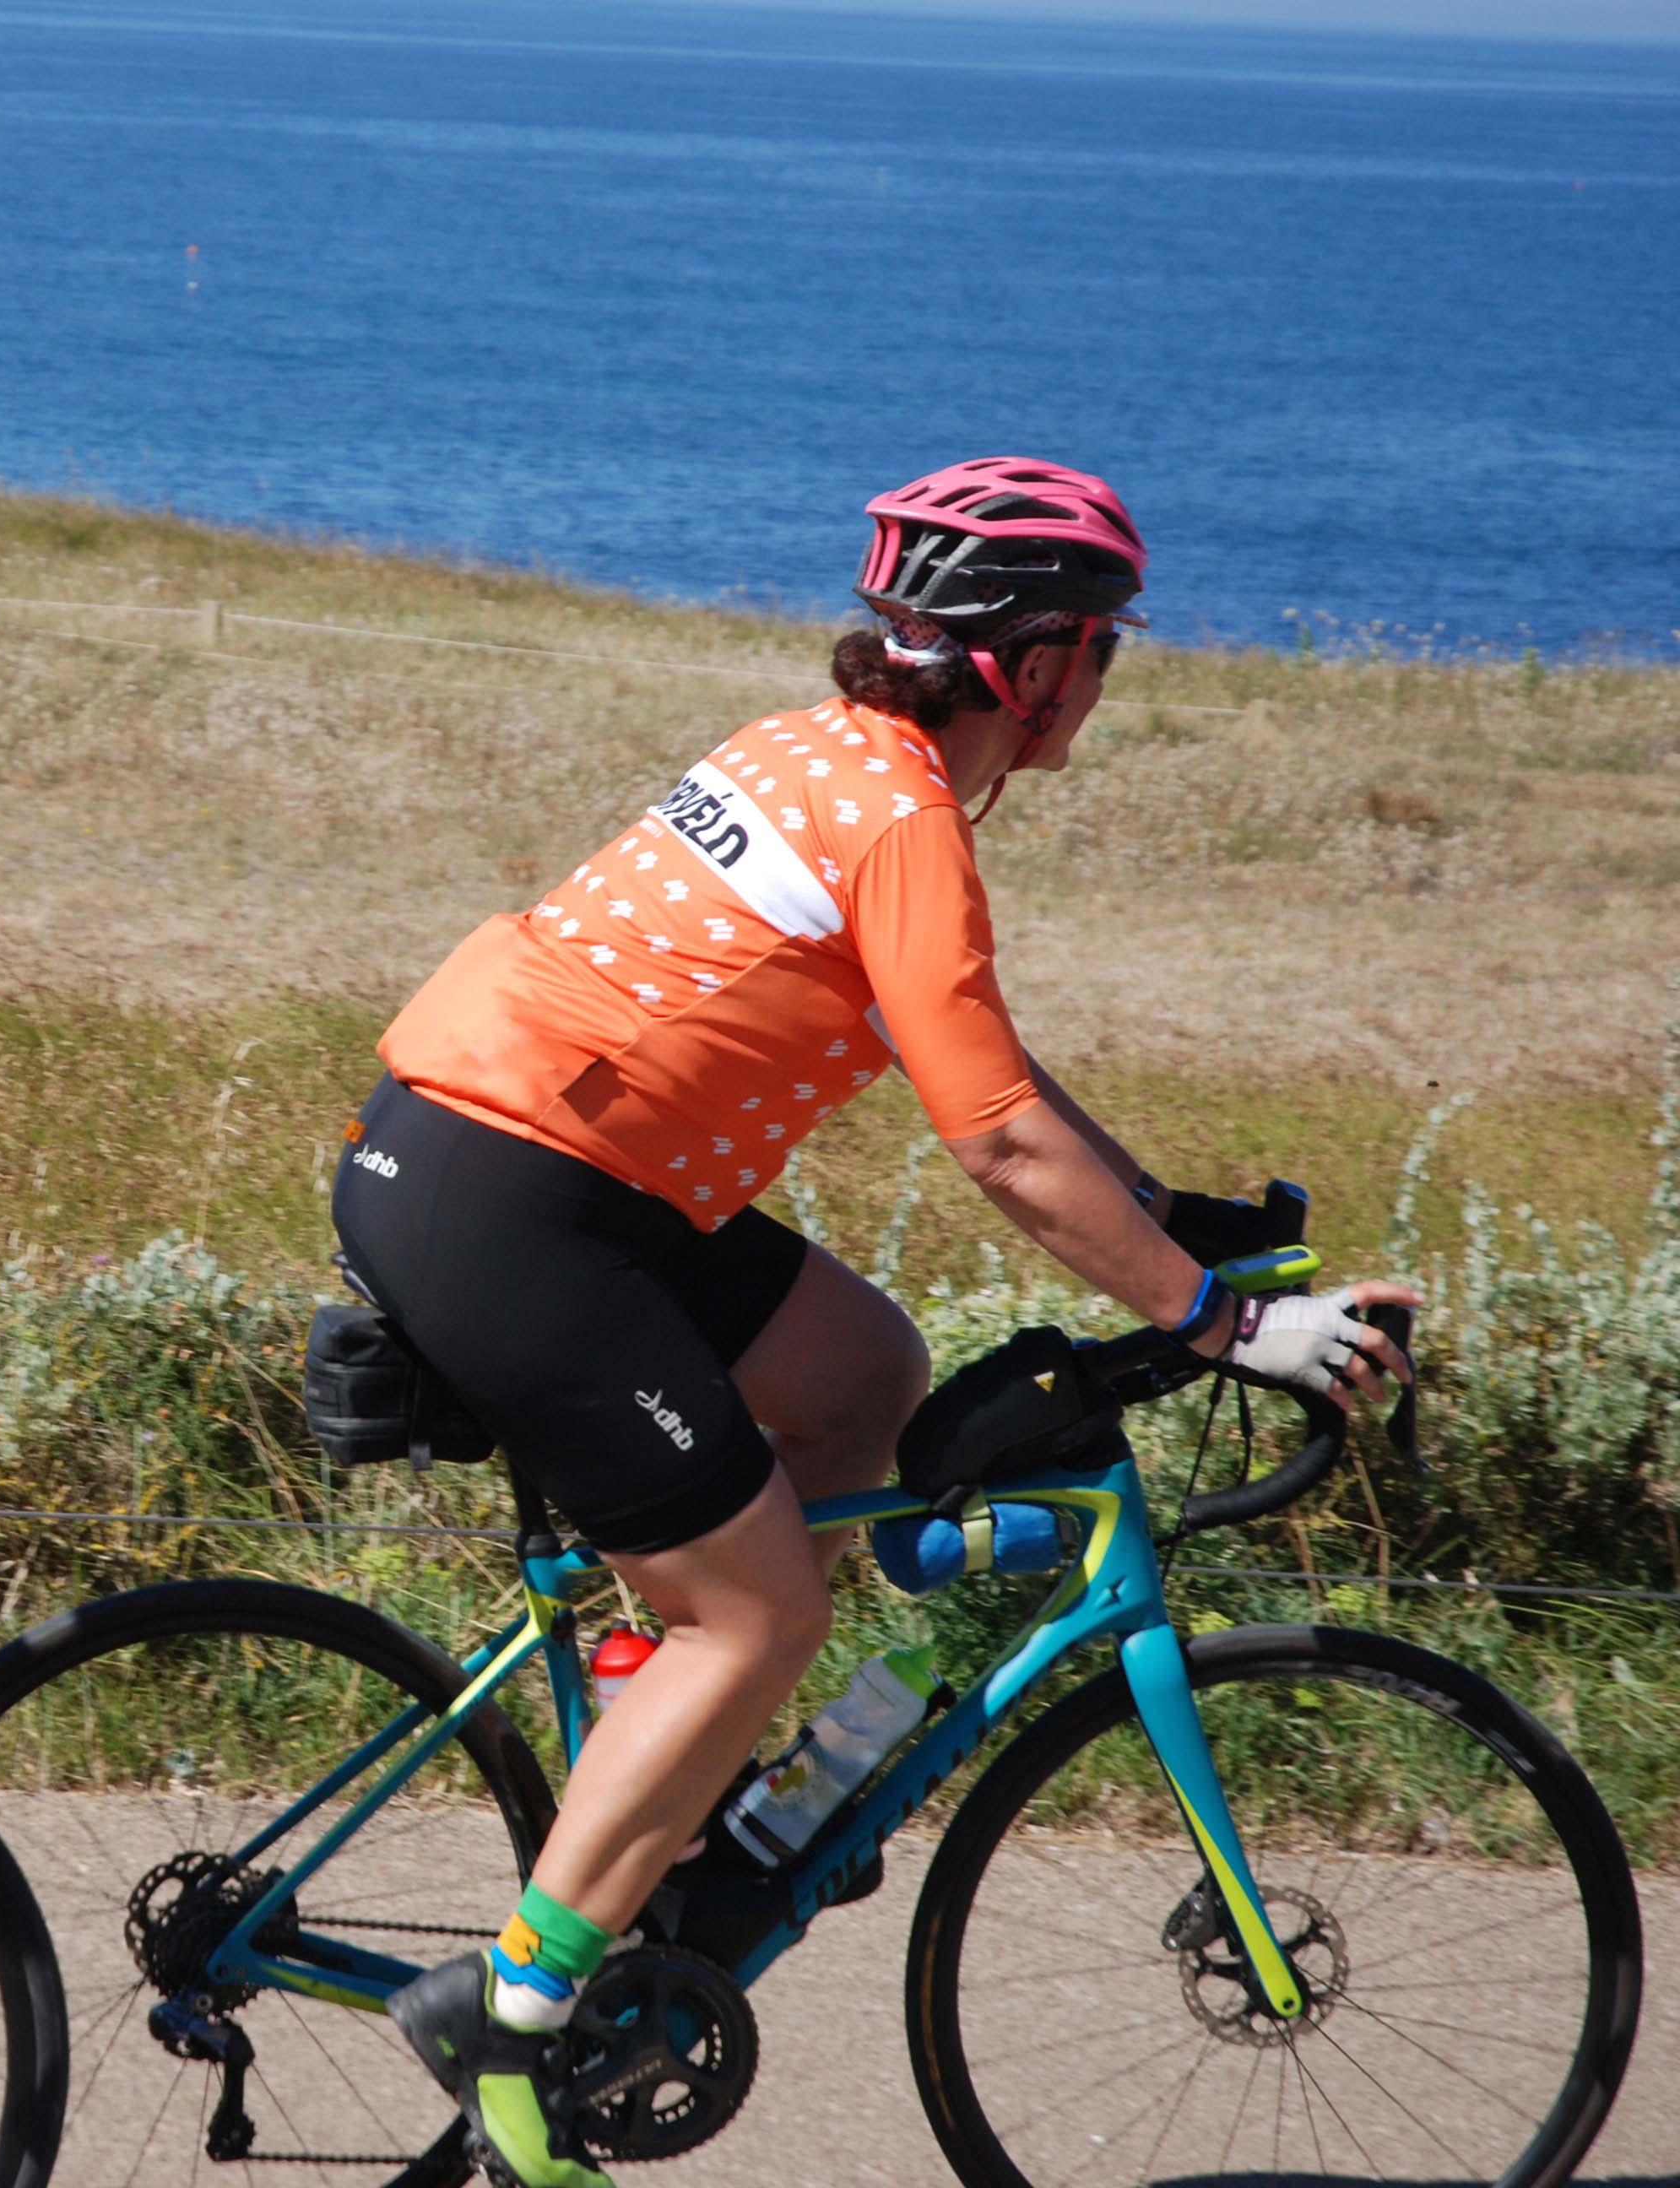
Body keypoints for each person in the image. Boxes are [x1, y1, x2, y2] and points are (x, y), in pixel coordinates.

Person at [332, 458, 1415, 2188]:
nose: (1105, 682)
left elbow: (972, 1050)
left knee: (860, 1377)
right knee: (750, 1612)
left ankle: (682, 1818)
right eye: (1103, 649)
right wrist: (1217, 1326)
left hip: (546, 1174)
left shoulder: (830, 757)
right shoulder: (900, 809)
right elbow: (990, 1140)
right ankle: (514, 2023)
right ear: (1028, 662)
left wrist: (1155, 1216)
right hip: (524, 1201)